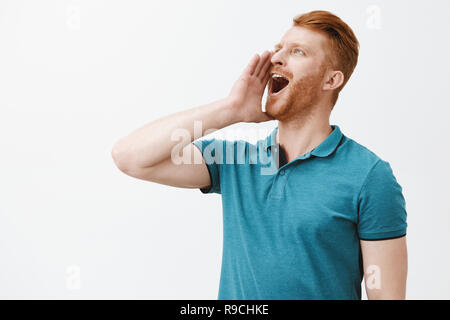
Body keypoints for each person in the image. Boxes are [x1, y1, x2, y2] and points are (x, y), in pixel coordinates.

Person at [111, 10, 408, 300]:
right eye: (279, 48)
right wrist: (231, 109)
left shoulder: (369, 177)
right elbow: (129, 157)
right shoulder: (234, 161)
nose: (276, 57)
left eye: (298, 52)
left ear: (331, 81)